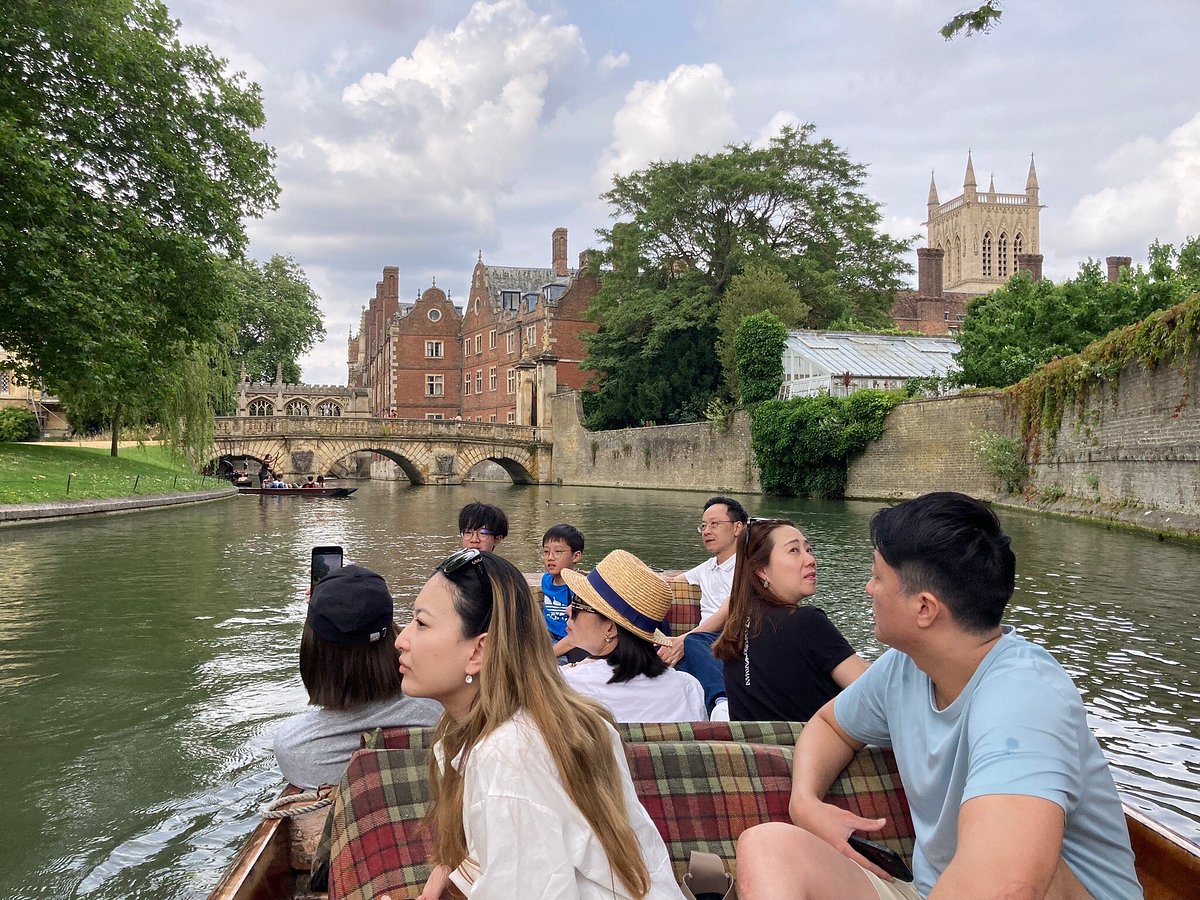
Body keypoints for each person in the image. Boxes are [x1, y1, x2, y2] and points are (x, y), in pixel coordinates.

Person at [735, 493, 1143, 900]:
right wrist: (805, 803)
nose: (867, 589)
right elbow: (831, 726)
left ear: (925, 609)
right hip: (937, 890)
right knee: (768, 846)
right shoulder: (904, 666)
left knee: (1031, 866)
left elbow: (1010, 888)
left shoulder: (1024, 695)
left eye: (878, 577)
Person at [392, 549, 684, 899]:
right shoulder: (565, 720)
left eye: (421, 623)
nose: (401, 640)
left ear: (478, 652)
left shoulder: (507, 756)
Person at [273, 565, 442, 790]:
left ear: (312, 653)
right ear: (395, 638)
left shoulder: (295, 747)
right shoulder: (441, 713)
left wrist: (328, 607)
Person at [712, 517, 865, 722]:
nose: (810, 560)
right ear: (762, 570)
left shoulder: (736, 635)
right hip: (821, 751)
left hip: (763, 753)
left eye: (808, 550)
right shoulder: (808, 622)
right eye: (794, 551)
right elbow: (876, 697)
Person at [560, 549, 707, 723]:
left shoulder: (567, 687)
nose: (568, 609)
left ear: (611, 629)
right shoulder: (688, 688)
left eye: (578, 603)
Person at [658, 496, 748, 718]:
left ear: (738, 527)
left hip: (733, 638)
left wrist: (684, 639)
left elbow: (728, 612)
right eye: (704, 526)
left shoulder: (748, 566)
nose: (707, 531)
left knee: (691, 644)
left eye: (715, 524)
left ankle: (723, 703)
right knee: (661, 654)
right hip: (702, 642)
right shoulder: (708, 568)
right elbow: (673, 579)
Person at [540, 523, 589, 663]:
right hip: (549, 637)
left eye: (558, 552)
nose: (550, 557)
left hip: (571, 642)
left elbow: (580, 634)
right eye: (546, 552)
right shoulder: (546, 580)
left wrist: (546, 655)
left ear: (576, 556)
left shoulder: (579, 588)